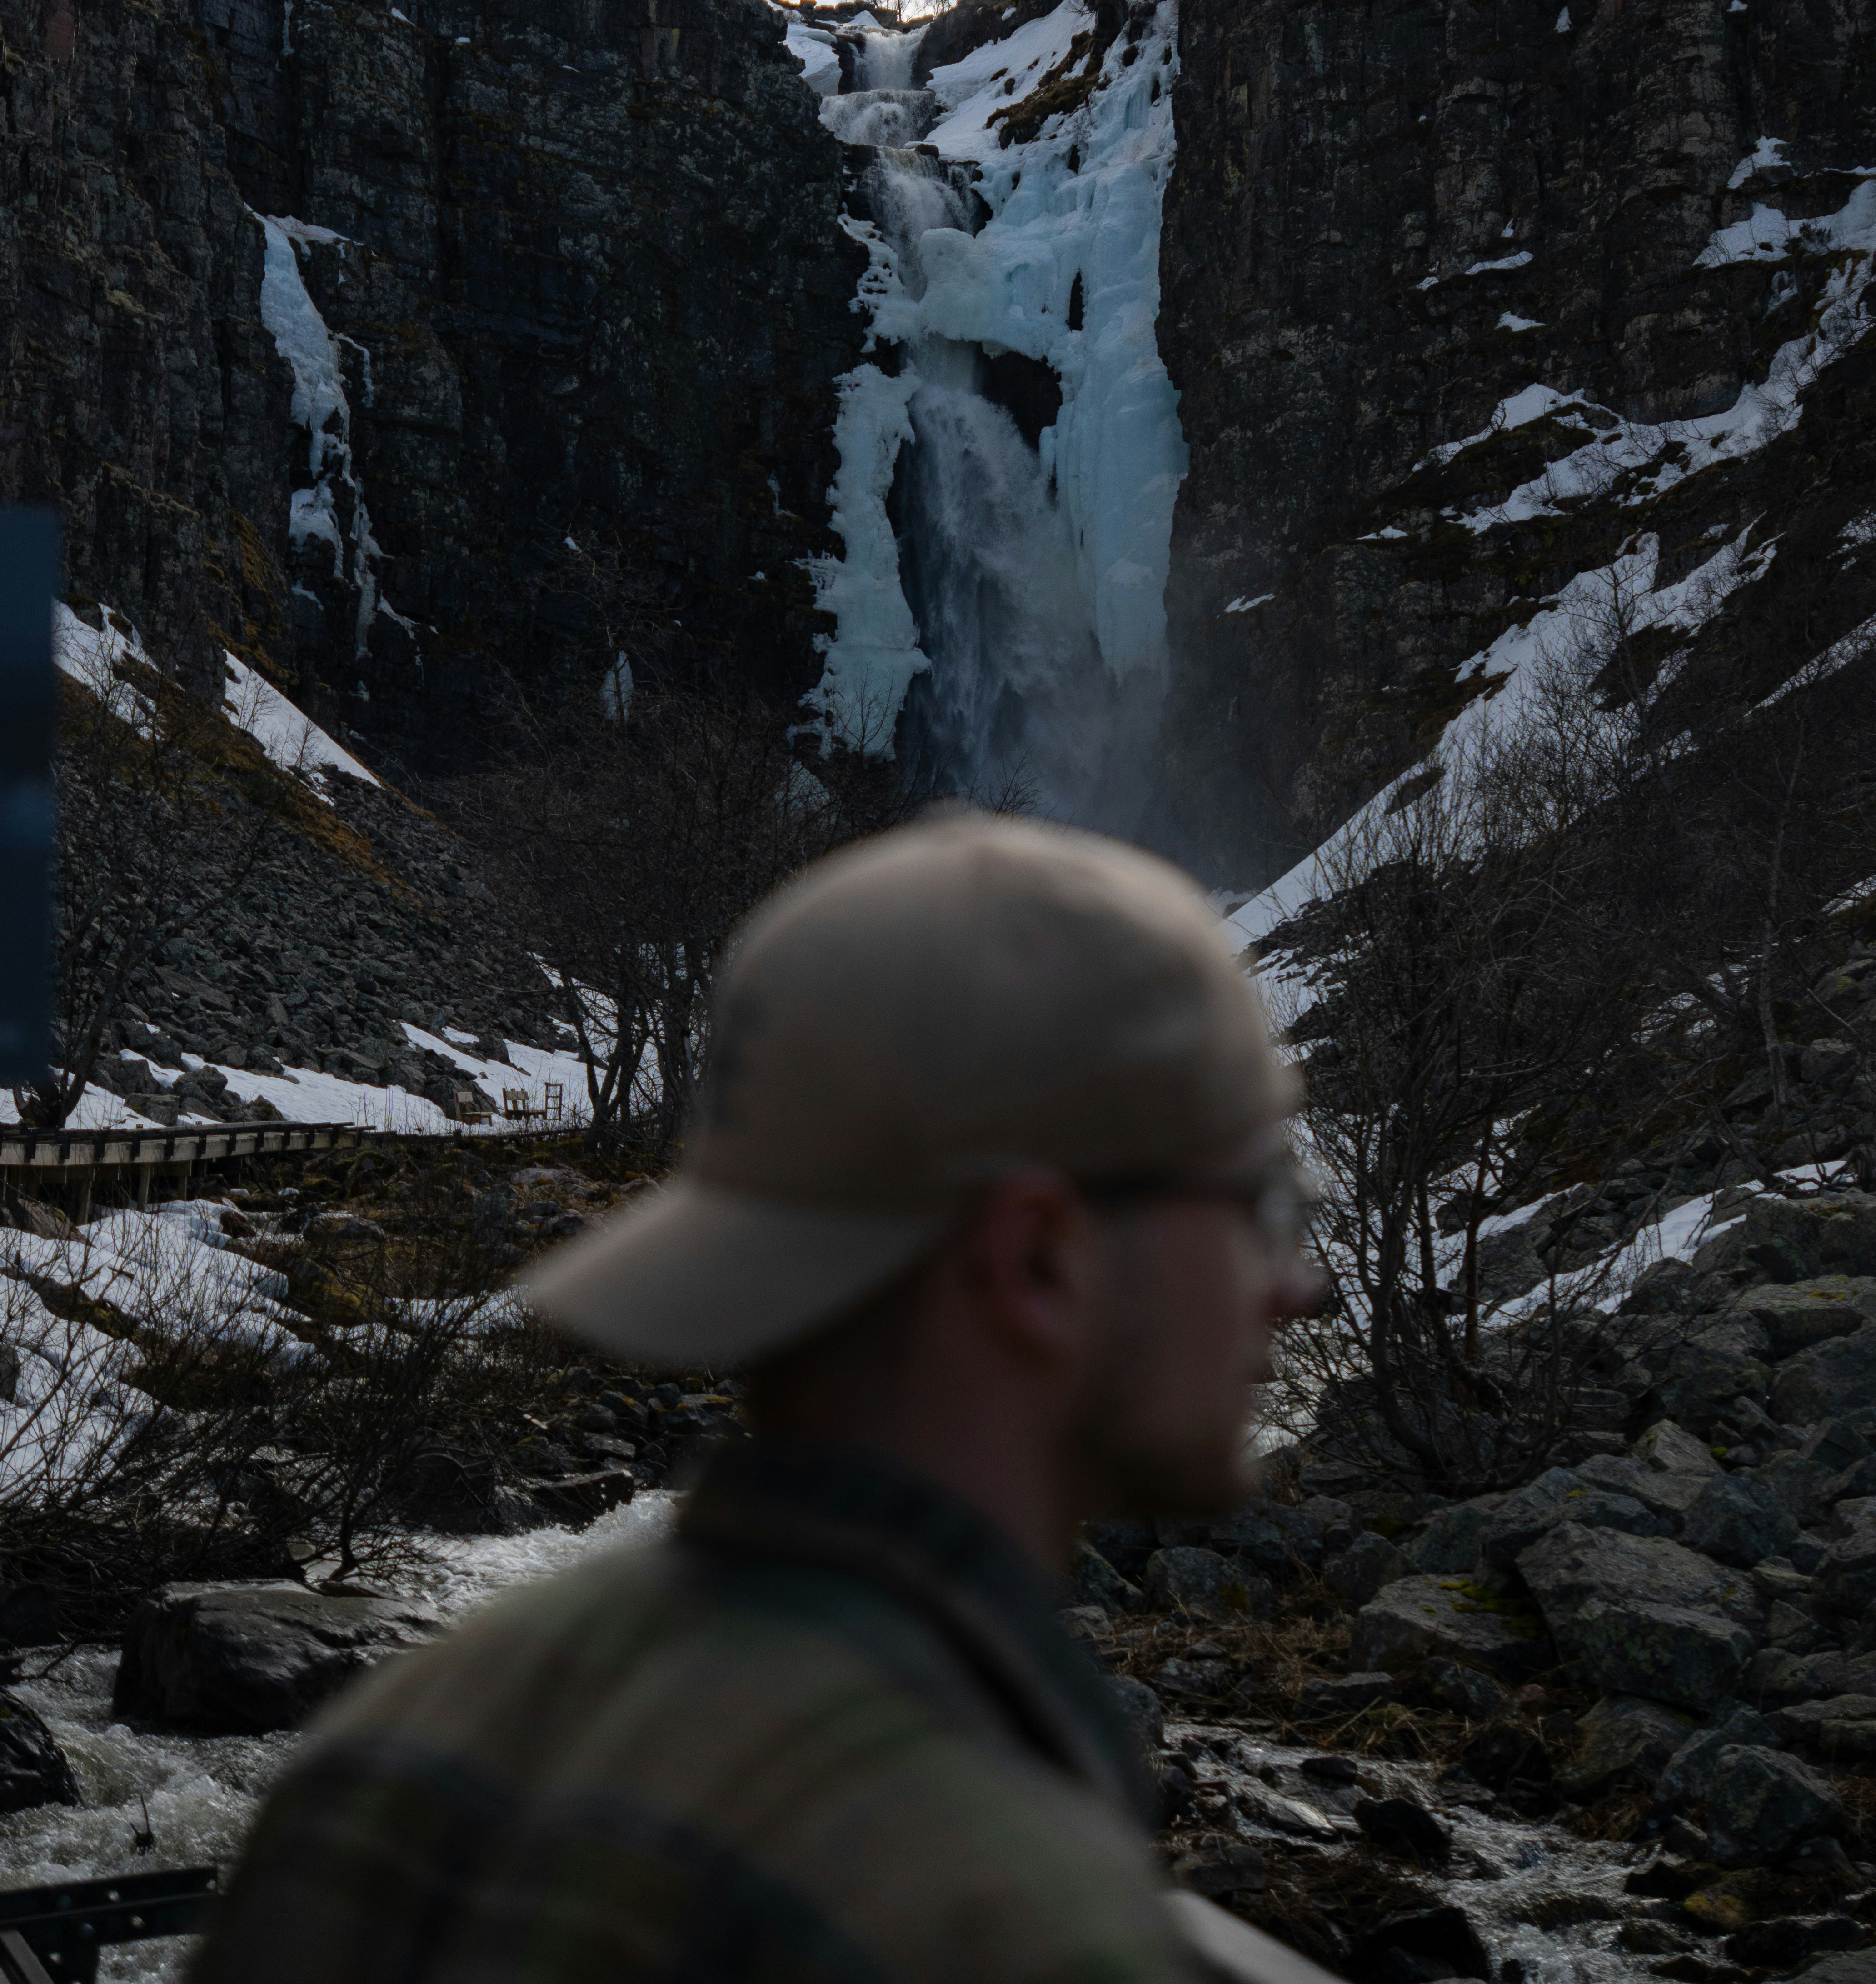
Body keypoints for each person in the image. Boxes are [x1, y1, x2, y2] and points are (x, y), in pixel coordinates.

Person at [191, 815, 1331, 1984]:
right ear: (1035, 1259)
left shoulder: (388, 1755)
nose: (1298, 1287)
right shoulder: (1010, 1921)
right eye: (1261, 1205)